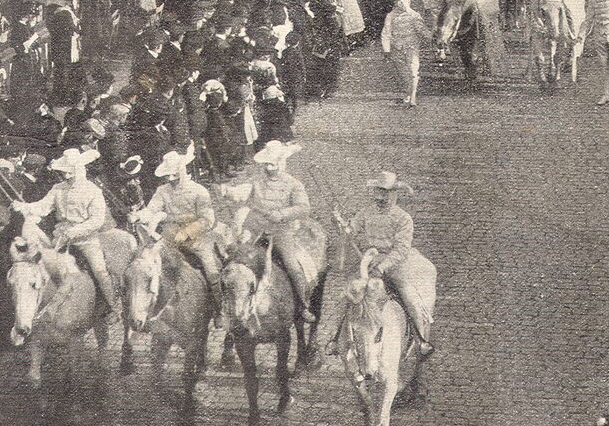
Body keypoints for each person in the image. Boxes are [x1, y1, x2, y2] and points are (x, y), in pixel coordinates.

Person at [330, 171, 434, 358]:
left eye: (385, 193)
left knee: (409, 297)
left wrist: (383, 266)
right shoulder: (366, 212)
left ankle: (420, 340)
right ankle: (336, 339)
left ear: (394, 194)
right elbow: (350, 231)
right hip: (368, 262)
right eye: (378, 192)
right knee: (348, 295)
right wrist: (341, 225)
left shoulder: (403, 218)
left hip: (394, 264)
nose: (380, 198)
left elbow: (401, 250)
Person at [12, 147, 122, 324]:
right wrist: (24, 207)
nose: (64, 175)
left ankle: (112, 307)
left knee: (100, 271)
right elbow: (43, 207)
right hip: (60, 237)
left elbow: (97, 220)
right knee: (41, 266)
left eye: (68, 171)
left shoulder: (93, 191)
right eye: (63, 171)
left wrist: (75, 231)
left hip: (86, 240)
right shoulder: (58, 188)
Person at [217, 139, 316, 323]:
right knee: (235, 261)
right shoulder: (257, 180)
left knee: (293, 267)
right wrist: (229, 192)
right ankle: (226, 306)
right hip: (256, 229)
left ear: (281, 162)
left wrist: (282, 214)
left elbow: (304, 208)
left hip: (281, 231)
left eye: (273, 164)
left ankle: (303, 305)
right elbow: (243, 191)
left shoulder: (293, 184)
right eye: (266, 164)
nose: (269, 168)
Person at [131, 147, 225, 320]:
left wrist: (187, 232)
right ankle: (149, 307)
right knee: (147, 264)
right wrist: (139, 215)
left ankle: (220, 310)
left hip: (197, 237)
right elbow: (151, 209)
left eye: (174, 175)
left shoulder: (199, 191)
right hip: (170, 235)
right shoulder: (162, 191)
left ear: (182, 172)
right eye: (168, 176)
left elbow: (207, 219)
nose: (170, 179)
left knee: (211, 271)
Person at [381, 0, 427, 107]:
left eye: (403, 0)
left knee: (413, 71)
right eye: (398, 1)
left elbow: (422, 31)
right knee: (403, 73)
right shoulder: (391, 16)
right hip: (397, 48)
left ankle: (413, 96)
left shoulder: (414, 15)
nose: (401, 3)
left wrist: (432, 37)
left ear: (408, 0)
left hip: (411, 48)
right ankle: (407, 93)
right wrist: (387, 51)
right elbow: (386, 33)